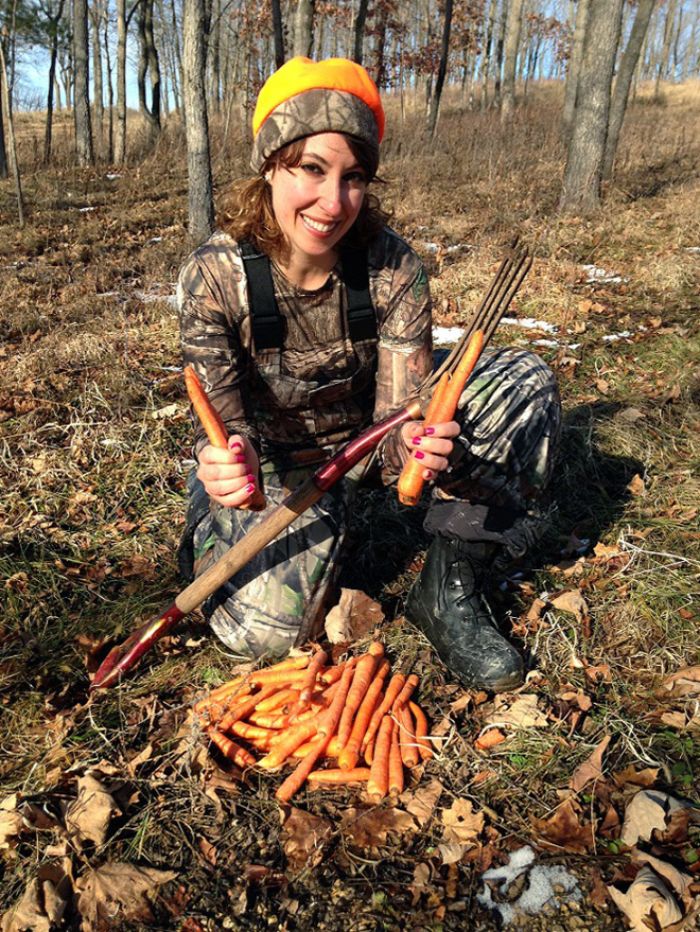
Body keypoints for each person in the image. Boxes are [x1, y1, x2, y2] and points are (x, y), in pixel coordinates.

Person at [177, 57, 561, 692]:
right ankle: (209, 529)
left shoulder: (391, 266)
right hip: (277, 467)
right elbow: (225, 428)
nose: (334, 203)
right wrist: (225, 467)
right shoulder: (214, 277)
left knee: (520, 383)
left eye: (353, 178)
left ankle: (448, 582)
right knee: (264, 636)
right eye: (312, 170)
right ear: (271, 164)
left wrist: (416, 445)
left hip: (364, 445)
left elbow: (400, 414)